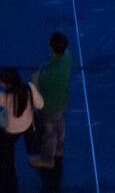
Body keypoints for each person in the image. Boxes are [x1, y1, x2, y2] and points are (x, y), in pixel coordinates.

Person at [0, 67, 44, 193]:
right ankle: (33, 154)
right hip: (27, 125)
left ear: (7, 84)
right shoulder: (29, 88)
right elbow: (40, 105)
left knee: (7, 160)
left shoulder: (3, 97)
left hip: (9, 131)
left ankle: (10, 185)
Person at [30, 31, 72, 182]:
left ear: (52, 48)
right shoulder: (67, 56)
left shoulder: (49, 73)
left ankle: (48, 159)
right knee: (60, 127)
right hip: (62, 102)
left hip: (50, 106)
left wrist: (35, 78)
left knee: (49, 133)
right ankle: (58, 151)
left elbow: (36, 86)